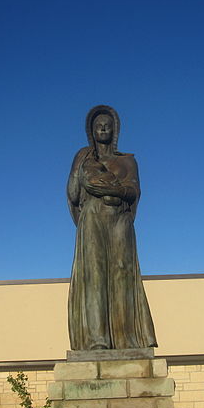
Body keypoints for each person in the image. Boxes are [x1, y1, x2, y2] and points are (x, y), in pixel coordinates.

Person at [66, 105, 157, 350]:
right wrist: (77, 165)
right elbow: (73, 195)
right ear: (91, 131)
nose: (103, 128)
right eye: (98, 125)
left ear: (114, 129)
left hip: (119, 221)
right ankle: (98, 341)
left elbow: (134, 191)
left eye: (107, 124)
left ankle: (126, 338)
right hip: (93, 218)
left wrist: (113, 190)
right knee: (94, 276)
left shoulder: (127, 161)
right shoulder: (84, 159)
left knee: (122, 275)